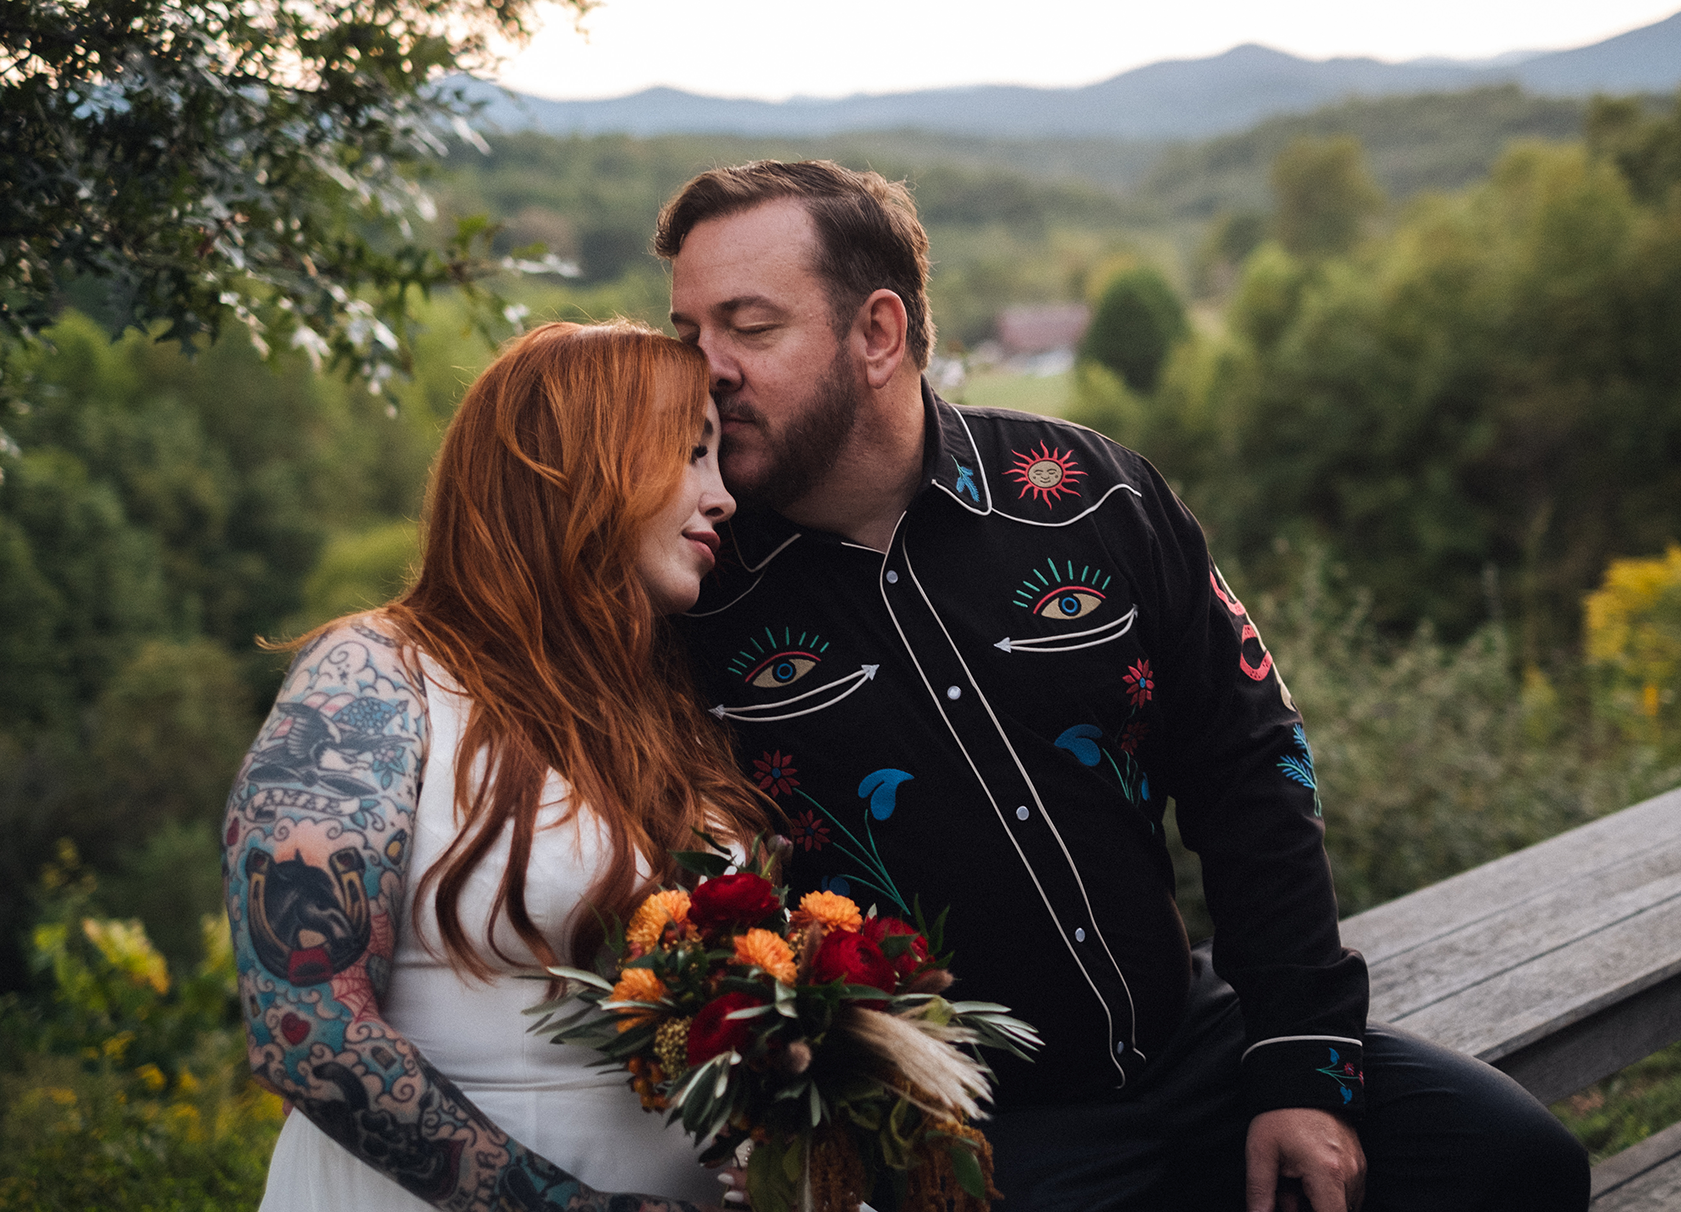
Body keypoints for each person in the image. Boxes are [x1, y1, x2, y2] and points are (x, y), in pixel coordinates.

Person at [659, 161, 1593, 1212]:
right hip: (976, 1132)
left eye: (748, 327)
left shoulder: (1086, 494)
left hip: (1200, 1043)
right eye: (687, 332)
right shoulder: (700, 590)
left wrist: (1299, 1064)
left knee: (1521, 1164)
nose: (705, 370)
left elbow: (1252, 765)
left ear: (878, 333)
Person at [225, 321, 770, 1212]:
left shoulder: (674, 715)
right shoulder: (376, 676)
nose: (723, 496)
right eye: (690, 453)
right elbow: (307, 1030)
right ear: (584, 462)